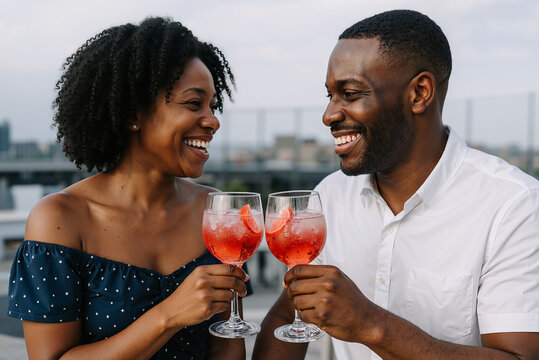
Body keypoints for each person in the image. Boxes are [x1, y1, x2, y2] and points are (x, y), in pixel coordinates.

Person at [253, 9, 539, 360]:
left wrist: (370, 324)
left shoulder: (512, 204)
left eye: (351, 93)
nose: (329, 114)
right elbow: (288, 314)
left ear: (419, 93)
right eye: (330, 95)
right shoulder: (328, 197)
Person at [6, 17, 250, 359]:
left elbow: (227, 348)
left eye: (213, 105)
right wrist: (168, 316)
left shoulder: (216, 211)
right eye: (194, 103)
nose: (212, 120)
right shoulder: (60, 219)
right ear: (133, 114)